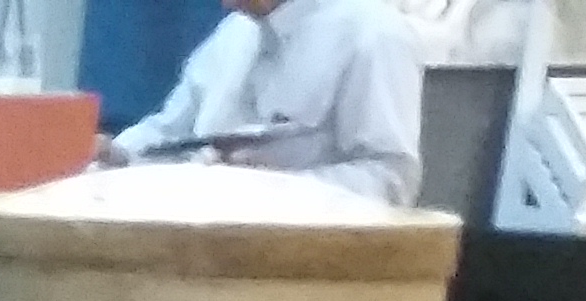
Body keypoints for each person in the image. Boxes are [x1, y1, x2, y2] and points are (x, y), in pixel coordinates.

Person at [107, 0, 428, 205]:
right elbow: (169, 132)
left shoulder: (374, 34)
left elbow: (392, 179)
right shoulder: (233, 32)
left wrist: (275, 190)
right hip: (197, 247)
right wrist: (114, 154)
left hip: (300, 266)